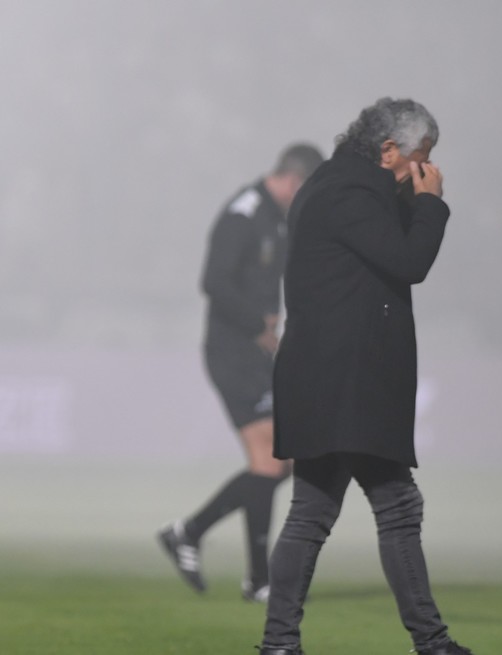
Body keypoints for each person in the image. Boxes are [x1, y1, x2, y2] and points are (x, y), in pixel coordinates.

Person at [256, 98, 472, 655]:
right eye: (421, 157)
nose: (426, 170)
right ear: (389, 149)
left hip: (334, 378)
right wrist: (430, 204)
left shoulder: (338, 185)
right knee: (365, 510)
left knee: (330, 511)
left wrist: (407, 194)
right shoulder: (350, 193)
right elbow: (408, 262)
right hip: (344, 382)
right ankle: (428, 643)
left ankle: (284, 644)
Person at [158, 144, 324, 602]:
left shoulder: (276, 217)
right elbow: (213, 281)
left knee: (282, 461)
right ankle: (257, 579)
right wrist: (257, 325)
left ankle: (191, 534)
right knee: (272, 459)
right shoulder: (244, 213)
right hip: (232, 353)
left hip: (257, 355)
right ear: (293, 180)